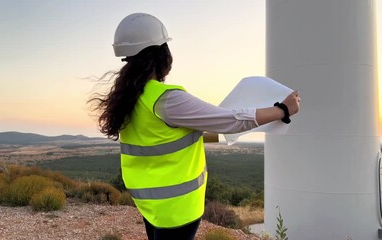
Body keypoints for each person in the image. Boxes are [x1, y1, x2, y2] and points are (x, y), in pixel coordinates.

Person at [89, 13, 300, 240]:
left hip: (152, 206)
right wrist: (282, 110)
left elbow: (162, 139)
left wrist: (216, 137)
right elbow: (231, 119)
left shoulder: (134, 97)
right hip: (178, 210)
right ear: (161, 54)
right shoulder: (166, 100)